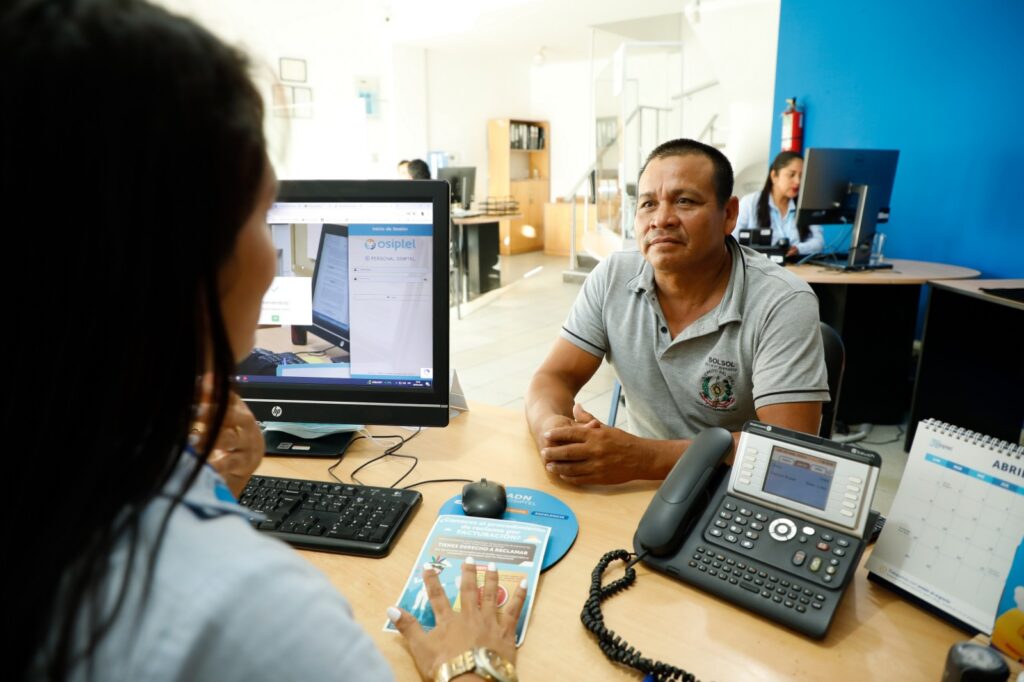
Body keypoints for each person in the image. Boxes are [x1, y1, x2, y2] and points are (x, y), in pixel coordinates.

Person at [5, 1, 525, 680]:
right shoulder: (259, 616)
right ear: (189, 254)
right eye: (261, 213)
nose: (273, 258)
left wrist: (212, 492)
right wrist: (476, 663)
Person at [525, 139, 829, 486]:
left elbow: (789, 452)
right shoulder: (613, 277)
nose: (661, 219)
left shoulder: (782, 301)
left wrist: (643, 457)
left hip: (734, 490)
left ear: (729, 214)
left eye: (685, 201)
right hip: (638, 485)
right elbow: (552, 378)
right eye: (648, 204)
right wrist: (550, 430)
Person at [732, 151, 824, 258]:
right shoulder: (749, 203)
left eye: (801, 176)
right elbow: (732, 240)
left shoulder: (805, 205)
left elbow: (819, 242)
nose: (798, 181)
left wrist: (798, 249)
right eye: (791, 175)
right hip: (758, 268)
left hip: (796, 268)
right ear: (774, 176)